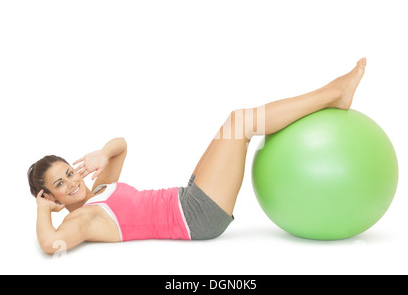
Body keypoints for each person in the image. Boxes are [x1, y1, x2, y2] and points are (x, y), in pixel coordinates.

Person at [28, 58, 367, 255]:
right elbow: (51, 243)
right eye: (60, 184)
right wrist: (44, 211)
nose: (72, 182)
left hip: (187, 196)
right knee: (240, 123)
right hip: (196, 217)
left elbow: (122, 145)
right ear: (50, 196)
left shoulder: (99, 191)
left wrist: (103, 152)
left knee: (233, 123)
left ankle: (333, 93)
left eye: (69, 172)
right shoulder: (82, 221)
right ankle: (334, 93)